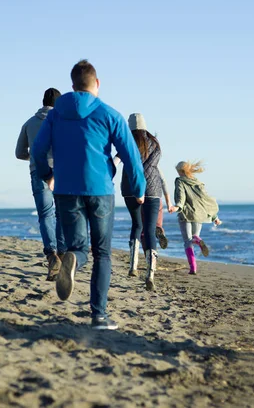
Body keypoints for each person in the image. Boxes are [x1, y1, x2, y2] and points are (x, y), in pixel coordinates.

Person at [31, 60, 146, 330]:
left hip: (66, 191)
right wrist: (139, 190)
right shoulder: (110, 114)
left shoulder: (56, 115)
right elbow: (132, 157)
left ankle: (73, 260)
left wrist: (47, 174)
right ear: (97, 84)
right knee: (103, 253)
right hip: (100, 191)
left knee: (79, 248)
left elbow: (37, 150)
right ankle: (99, 316)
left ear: (72, 87)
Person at [15, 88, 66, 281]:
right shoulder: (63, 121)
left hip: (38, 172)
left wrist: (35, 158)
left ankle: (51, 254)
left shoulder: (29, 123)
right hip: (61, 172)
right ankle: (61, 252)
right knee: (61, 214)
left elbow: (19, 152)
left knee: (45, 214)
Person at [119, 114, 172, 290]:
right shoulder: (155, 143)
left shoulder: (126, 141)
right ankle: (150, 273)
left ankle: (133, 266)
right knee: (149, 230)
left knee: (137, 225)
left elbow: (117, 159)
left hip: (129, 188)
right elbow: (152, 167)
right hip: (153, 189)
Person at [169, 161, 222, 274]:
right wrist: (215, 217)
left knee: (187, 242)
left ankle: (193, 268)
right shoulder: (198, 183)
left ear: (181, 171)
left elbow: (181, 199)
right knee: (194, 236)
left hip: (186, 214)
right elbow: (205, 201)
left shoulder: (180, 181)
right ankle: (197, 239)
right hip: (199, 214)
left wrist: (176, 207)